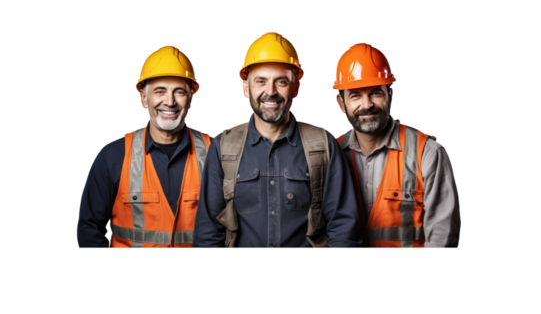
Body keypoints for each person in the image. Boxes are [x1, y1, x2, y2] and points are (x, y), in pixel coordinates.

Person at [193, 32, 362, 249]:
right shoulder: (223, 147)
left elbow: (343, 228)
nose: (270, 92)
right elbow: (209, 233)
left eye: (281, 81)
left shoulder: (322, 145)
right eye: (260, 81)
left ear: (295, 87)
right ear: (245, 88)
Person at [76, 45, 211, 249]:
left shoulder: (216, 152)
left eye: (179, 92)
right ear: (143, 98)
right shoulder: (113, 156)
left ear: (191, 99)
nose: (170, 101)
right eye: (160, 91)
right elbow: (89, 228)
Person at [332, 42, 461, 249]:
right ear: (341, 103)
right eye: (356, 95)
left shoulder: (427, 153)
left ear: (391, 95)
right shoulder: (331, 154)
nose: (367, 105)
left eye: (376, 92)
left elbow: (442, 238)